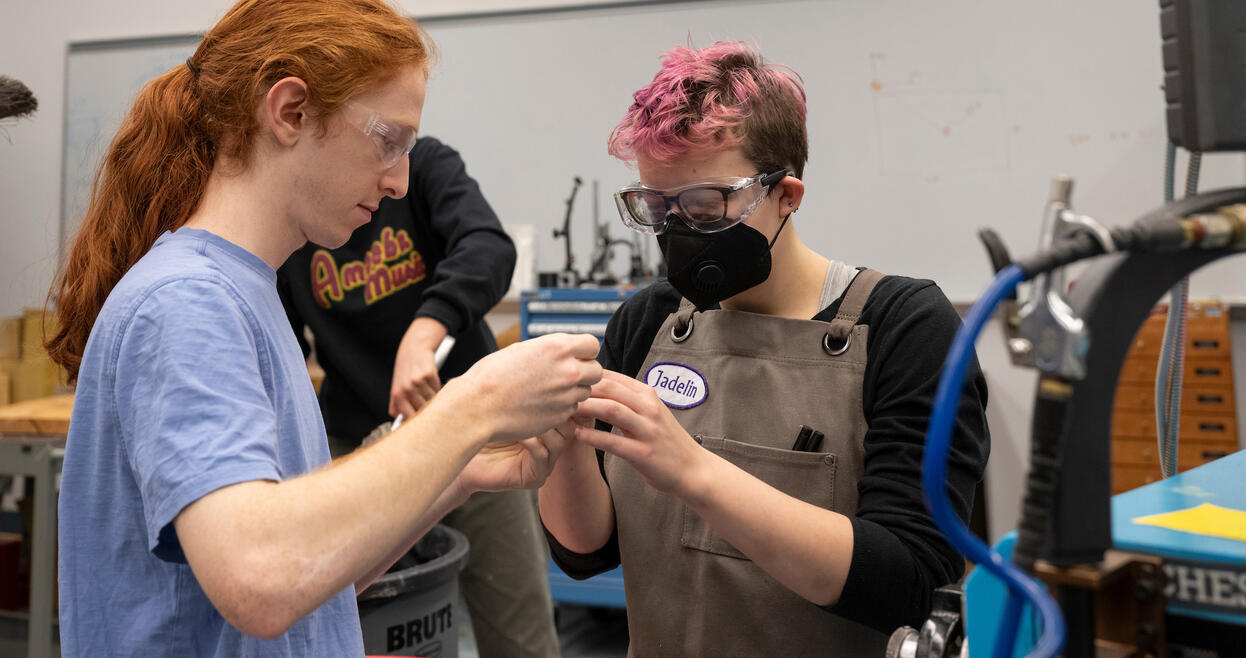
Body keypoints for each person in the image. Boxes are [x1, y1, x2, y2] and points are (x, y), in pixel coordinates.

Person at [44, 1, 601, 655]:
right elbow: (261, 577)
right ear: (290, 113)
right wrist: (469, 409)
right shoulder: (187, 303)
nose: (399, 181)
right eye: (387, 142)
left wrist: (458, 472)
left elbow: (313, 576)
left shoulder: (248, 295)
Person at [538, 42, 990, 656]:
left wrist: (693, 471)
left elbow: (913, 581)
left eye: (704, 205)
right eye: (657, 207)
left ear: (787, 195)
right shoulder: (649, 320)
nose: (679, 232)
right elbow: (585, 552)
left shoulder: (903, 327)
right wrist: (560, 441)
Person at [277, 135, 560, 657]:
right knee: (345, 622)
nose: (391, 180)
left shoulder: (425, 167)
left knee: (520, 635)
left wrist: (426, 329)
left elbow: (488, 248)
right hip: (364, 447)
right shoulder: (299, 219)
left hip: (475, 444)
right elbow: (280, 350)